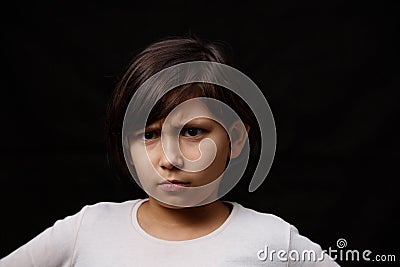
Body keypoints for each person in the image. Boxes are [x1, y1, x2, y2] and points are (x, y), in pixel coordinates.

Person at [1, 37, 340, 266]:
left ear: (236, 138)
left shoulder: (272, 240)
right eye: (149, 135)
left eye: (193, 132)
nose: (169, 160)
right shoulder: (86, 229)